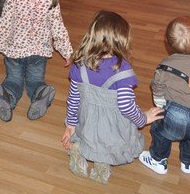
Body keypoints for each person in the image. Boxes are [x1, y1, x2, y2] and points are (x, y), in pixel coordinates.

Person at [61, 11, 164, 184]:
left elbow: (73, 98)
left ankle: (79, 149)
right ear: (121, 41)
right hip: (113, 125)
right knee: (111, 140)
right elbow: (126, 106)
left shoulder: (80, 64)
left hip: (87, 120)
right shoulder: (122, 70)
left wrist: (71, 125)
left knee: (87, 134)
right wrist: (143, 118)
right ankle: (102, 163)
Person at [0, 0, 73, 122]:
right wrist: (66, 51)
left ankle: (6, 97)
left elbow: (4, 24)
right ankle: (40, 93)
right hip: (39, 52)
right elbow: (58, 28)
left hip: (14, 51)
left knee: (13, 81)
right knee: (35, 81)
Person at [140, 16, 190, 175]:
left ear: (168, 44)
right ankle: (188, 163)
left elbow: (157, 86)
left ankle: (158, 160)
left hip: (176, 118)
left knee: (160, 130)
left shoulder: (164, 66)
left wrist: (160, 104)